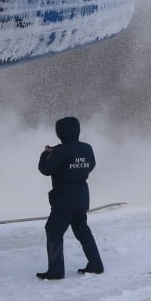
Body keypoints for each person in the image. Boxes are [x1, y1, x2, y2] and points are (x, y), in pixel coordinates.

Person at [36, 116, 102, 280]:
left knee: (53, 230)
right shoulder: (87, 148)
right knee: (82, 230)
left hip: (64, 198)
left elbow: (45, 169)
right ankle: (96, 264)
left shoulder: (60, 151)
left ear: (60, 133)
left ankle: (56, 271)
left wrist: (46, 154)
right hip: (82, 196)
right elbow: (91, 165)